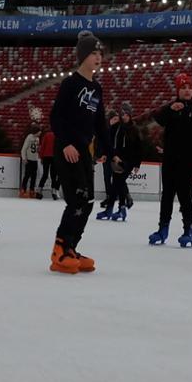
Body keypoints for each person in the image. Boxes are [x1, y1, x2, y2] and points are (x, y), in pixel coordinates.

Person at [50, 30, 109, 274]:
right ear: (83, 56)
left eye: (100, 53)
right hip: (68, 150)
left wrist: (106, 150)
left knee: (88, 202)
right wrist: (66, 144)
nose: (98, 57)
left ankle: (72, 247)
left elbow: (100, 122)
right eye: (93, 53)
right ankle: (60, 250)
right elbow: (56, 117)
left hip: (84, 152)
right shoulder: (71, 83)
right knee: (76, 200)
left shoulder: (96, 88)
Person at [150, 73, 192, 248]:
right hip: (170, 161)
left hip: (188, 163)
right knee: (167, 197)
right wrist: (170, 109)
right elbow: (158, 118)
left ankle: (189, 230)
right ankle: (163, 229)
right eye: (183, 87)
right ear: (177, 90)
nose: (187, 90)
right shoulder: (171, 108)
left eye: (189, 87)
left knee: (185, 198)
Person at [97, 105, 140, 221]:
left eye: (126, 114)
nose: (124, 117)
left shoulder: (134, 129)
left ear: (130, 115)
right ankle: (117, 209)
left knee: (118, 182)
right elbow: (108, 140)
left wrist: (137, 163)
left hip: (128, 161)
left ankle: (115, 209)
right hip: (116, 159)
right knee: (117, 183)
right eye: (123, 114)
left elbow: (138, 147)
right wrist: (106, 154)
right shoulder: (117, 127)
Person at [19, 111, 41, 199]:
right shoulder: (29, 137)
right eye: (39, 131)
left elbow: (36, 149)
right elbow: (24, 148)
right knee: (27, 175)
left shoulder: (38, 139)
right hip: (29, 159)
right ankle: (23, 190)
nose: (40, 133)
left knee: (34, 176)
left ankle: (32, 190)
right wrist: (24, 158)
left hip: (35, 159)